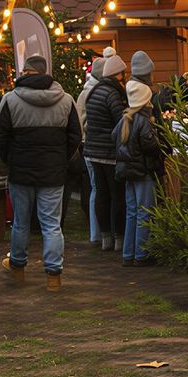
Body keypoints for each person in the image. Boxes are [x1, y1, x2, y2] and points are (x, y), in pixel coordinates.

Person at [0, 55, 82, 292]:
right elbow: (76, 137)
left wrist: (10, 160)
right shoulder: (66, 100)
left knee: (20, 223)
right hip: (53, 173)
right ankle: (53, 276)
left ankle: (18, 267)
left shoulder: (11, 100)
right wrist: (60, 159)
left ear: (26, 73)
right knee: (51, 224)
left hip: (21, 172)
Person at [113, 80, 161, 267]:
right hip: (142, 172)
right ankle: (141, 254)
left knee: (132, 212)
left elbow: (113, 137)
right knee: (144, 212)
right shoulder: (144, 120)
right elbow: (150, 145)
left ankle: (128, 253)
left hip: (127, 172)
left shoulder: (125, 119)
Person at [85, 53, 128, 252]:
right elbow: (120, 122)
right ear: (116, 75)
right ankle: (119, 237)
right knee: (116, 196)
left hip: (93, 151)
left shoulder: (95, 91)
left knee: (101, 195)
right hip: (109, 152)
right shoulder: (112, 94)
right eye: (123, 74)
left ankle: (104, 238)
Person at [77, 56, 106, 247]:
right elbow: (84, 122)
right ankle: (97, 233)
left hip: (89, 144)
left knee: (94, 188)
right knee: (96, 189)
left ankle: (96, 233)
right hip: (94, 145)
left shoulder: (86, 92)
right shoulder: (94, 93)